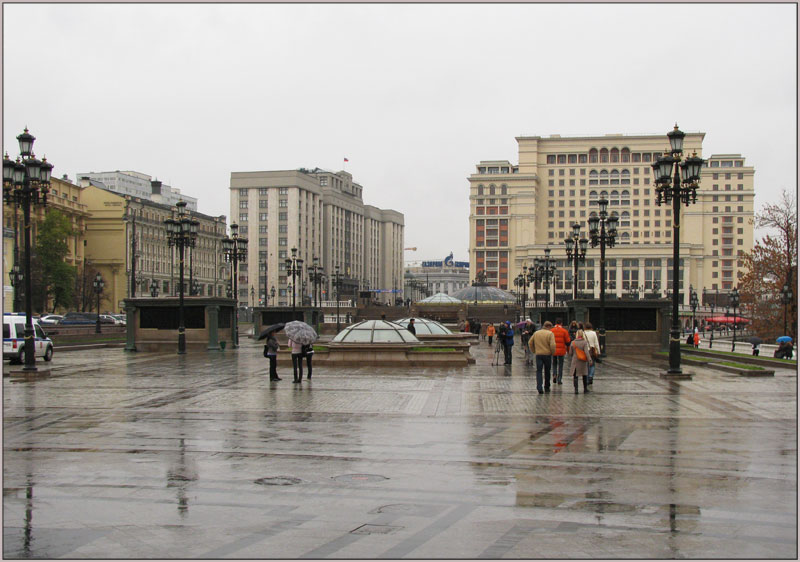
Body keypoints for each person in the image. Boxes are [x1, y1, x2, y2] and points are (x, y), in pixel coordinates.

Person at [530, 321, 556, 394]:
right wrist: (552, 352)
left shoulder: (536, 333)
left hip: (538, 354)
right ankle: (547, 386)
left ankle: (539, 387)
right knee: (547, 371)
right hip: (547, 354)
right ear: (549, 327)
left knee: (539, 371)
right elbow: (553, 345)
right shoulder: (550, 334)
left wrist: (534, 350)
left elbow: (530, 342)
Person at [568, 329, 594, 393]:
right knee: (584, 375)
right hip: (582, 361)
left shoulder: (573, 342)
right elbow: (586, 352)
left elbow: (570, 353)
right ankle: (585, 389)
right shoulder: (584, 342)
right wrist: (590, 360)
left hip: (575, 361)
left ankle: (576, 390)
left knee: (575, 376)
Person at [550, 318, 571, 385]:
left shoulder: (551, 330)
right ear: (561, 323)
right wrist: (568, 350)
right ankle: (559, 379)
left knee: (554, 363)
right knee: (561, 365)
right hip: (561, 350)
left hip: (553, 350)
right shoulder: (564, 331)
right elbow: (568, 342)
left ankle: (554, 374)